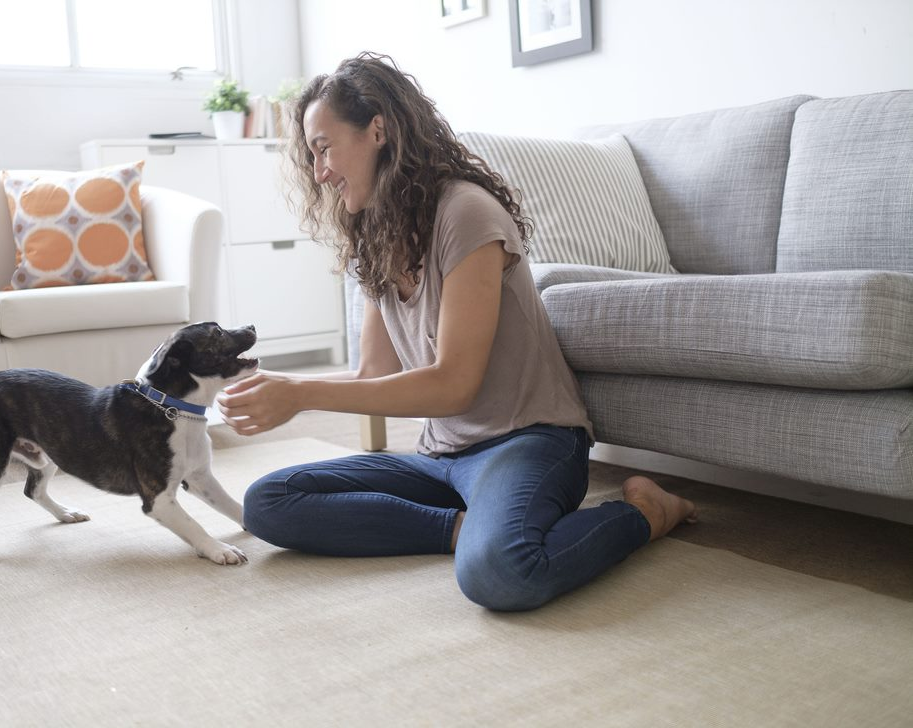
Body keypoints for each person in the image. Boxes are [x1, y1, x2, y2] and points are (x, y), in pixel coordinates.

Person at [216, 52, 697, 611]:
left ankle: (644, 512)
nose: (319, 171)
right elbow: (374, 374)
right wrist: (281, 388)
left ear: (378, 130)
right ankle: (464, 527)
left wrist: (301, 394)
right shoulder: (377, 236)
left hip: (529, 442)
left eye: (324, 147)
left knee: (501, 575)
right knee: (268, 500)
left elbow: (454, 384)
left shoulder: (466, 213)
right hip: (442, 457)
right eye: (312, 155)